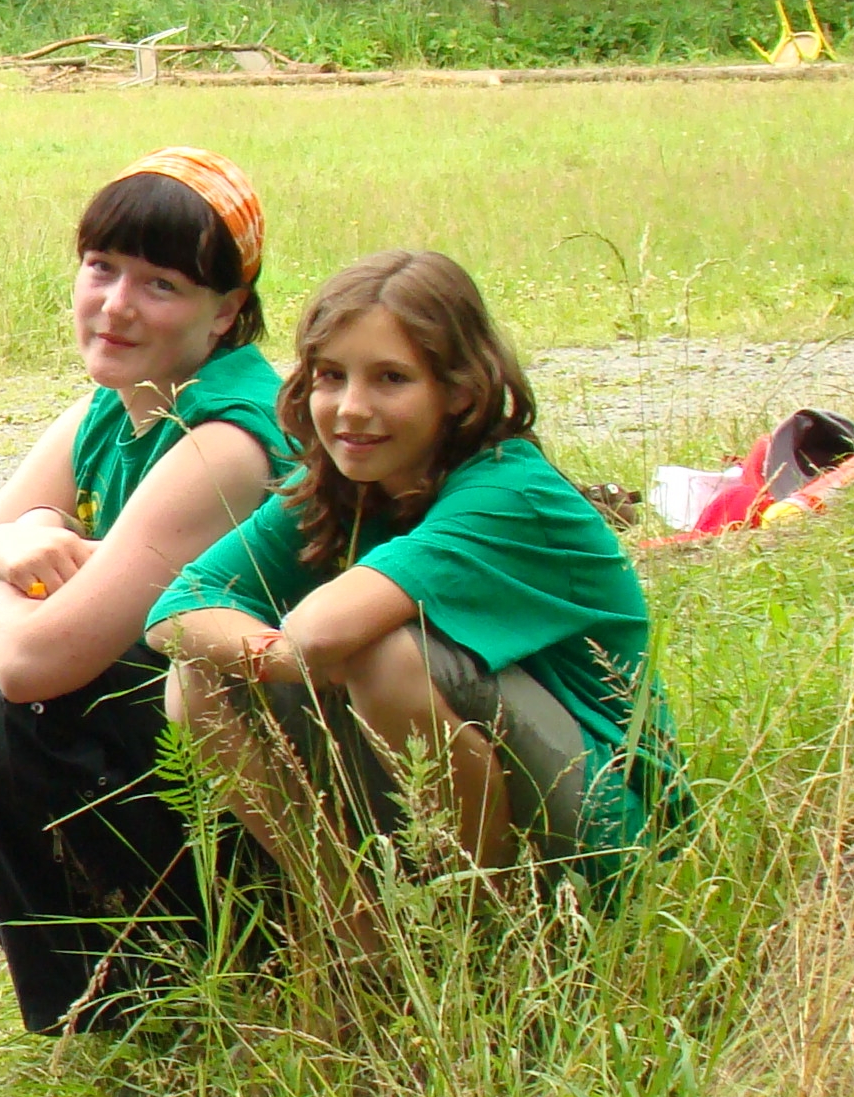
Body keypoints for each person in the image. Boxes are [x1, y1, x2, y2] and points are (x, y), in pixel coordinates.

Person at [0, 150, 290, 1033]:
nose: (116, 304)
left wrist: (20, 570)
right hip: (170, 756)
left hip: (262, 781)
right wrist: (20, 541)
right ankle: (92, 989)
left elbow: (34, 662)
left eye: (161, 284)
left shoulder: (226, 440)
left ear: (226, 313)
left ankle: (202, 971)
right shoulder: (116, 406)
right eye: (102, 268)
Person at [148, 249, 680, 935]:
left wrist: (303, 655)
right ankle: (353, 924)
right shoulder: (341, 487)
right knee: (195, 678)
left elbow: (322, 632)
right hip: (461, 789)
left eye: (391, 378)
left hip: (610, 822)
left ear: (458, 391)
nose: (352, 409)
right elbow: (174, 612)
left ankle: (476, 939)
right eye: (331, 376)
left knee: (384, 656)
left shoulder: (508, 490)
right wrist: (283, 658)